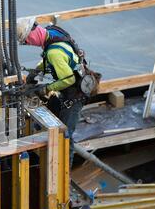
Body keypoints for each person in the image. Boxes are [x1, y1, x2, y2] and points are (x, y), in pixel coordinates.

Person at [17, 17, 101, 166]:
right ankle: (49, 159)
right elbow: (53, 60)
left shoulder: (53, 52)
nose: (27, 44)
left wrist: (47, 89)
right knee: (49, 122)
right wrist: (35, 71)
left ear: (31, 34)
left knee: (65, 136)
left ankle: (64, 176)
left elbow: (68, 79)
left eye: (25, 41)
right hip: (71, 89)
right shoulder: (52, 32)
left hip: (74, 96)